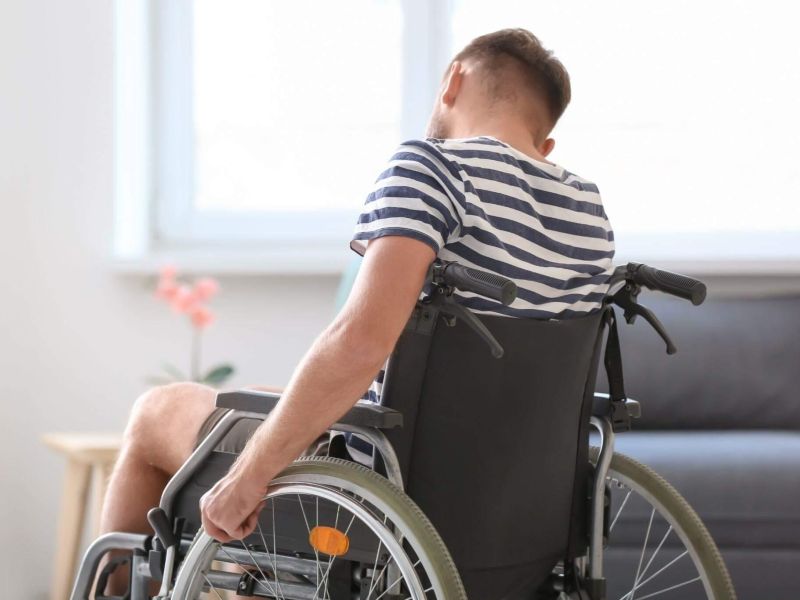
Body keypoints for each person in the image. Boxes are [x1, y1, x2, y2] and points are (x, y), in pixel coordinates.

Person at [99, 28, 614, 598]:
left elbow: (360, 340)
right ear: (545, 147)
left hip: (392, 494)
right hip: (516, 512)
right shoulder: (588, 211)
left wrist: (250, 477)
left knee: (156, 412)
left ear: (453, 81)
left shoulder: (433, 168)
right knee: (268, 398)